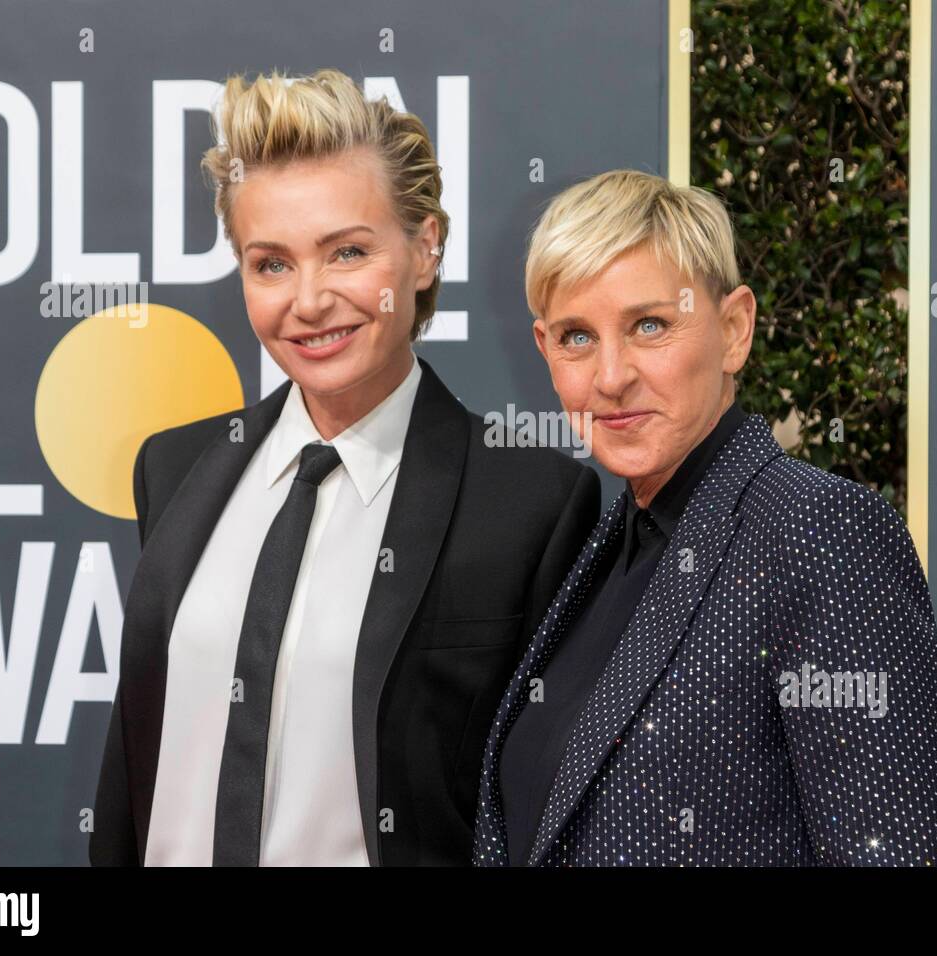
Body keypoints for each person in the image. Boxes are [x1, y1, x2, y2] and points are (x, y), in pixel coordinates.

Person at [89, 69, 600, 867]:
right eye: (271, 264)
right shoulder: (177, 466)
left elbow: (544, 803)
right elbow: (138, 759)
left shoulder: (531, 499)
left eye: (348, 252)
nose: (310, 300)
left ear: (425, 250)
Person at [474, 169, 937, 866]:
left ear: (734, 329)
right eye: (577, 337)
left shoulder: (817, 531)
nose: (610, 376)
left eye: (649, 326)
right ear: (545, 352)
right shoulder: (603, 548)